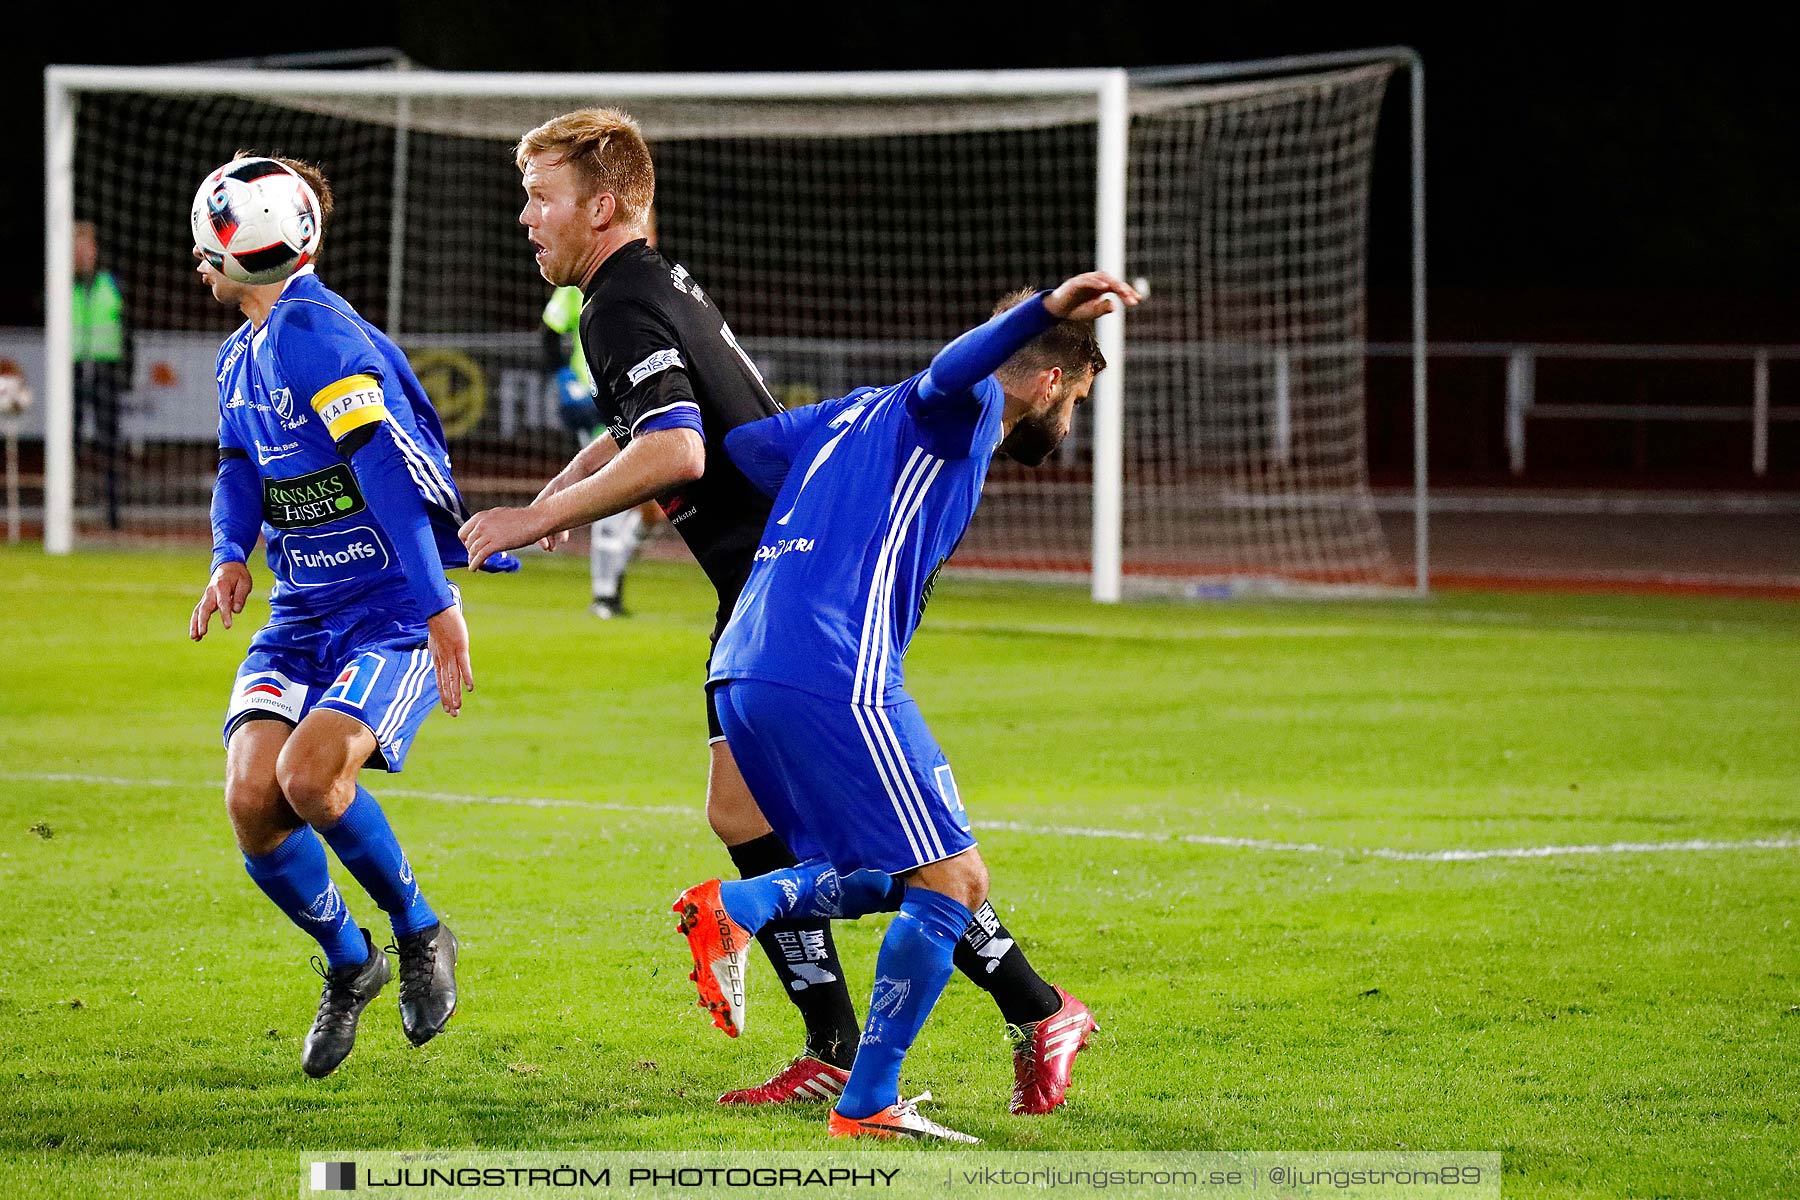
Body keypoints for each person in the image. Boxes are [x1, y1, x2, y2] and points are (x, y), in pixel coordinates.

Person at [461, 109, 1085, 1111]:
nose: (527, 217)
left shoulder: (616, 306)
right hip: (769, 588)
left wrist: (527, 524)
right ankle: (857, 1038)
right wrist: (544, 503)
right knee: (750, 814)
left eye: (542, 197)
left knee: (892, 849)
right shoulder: (654, 285)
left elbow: (678, 453)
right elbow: (662, 432)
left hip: (797, 600)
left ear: (604, 204)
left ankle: (979, 1020)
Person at [673, 270, 1139, 1141]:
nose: (1067, 420)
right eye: (1073, 397)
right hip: (833, 667)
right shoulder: (952, 411)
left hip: (743, 664)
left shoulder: (850, 412)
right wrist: (1044, 313)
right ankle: (859, 1087)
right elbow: (953, 370)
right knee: (955, 880)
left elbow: (740, 454)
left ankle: (760, 924)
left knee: (892, 874)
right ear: (1046, 382)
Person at [188, 153, 514, 1078]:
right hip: (301, 615)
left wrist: (439, 605)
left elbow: (381, 468)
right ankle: (351, 964)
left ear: (242, 246)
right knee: (253, 803)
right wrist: (226, 556)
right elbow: (238, 469)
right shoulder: (240, 353)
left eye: (208, 239)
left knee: (311, 777)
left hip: (387, 616)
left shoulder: (316, 335)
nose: (197, 259)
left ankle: (419, 933)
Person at [542, 283, 650, 618]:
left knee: (653, 508)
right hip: (597, 407)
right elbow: (549, 331)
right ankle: (605, 595)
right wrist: (563, 377)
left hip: (636, 402)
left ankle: (612, 581)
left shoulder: (638, 285)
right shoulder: (577, 290)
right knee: (611, 505)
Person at [72, 220, 130, 530]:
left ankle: (112, 515)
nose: (81, 254)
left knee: (110, 445)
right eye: (75, 248)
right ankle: (67, 509)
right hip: (72, 373)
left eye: (86, 247)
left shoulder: (111, 283)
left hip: (106, 371)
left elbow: (126, 329)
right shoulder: (61, 285)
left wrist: (127, 374)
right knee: (71, 444)